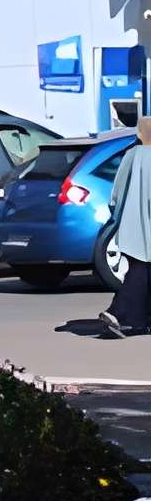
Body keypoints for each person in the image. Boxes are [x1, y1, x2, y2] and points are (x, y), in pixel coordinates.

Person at [100, 116, 151, 337]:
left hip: (135, 228)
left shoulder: (131, 156)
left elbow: (116, 195)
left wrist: (117, 216)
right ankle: (122, 314)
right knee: (141, 273)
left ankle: (128, 316)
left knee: (139, 270)